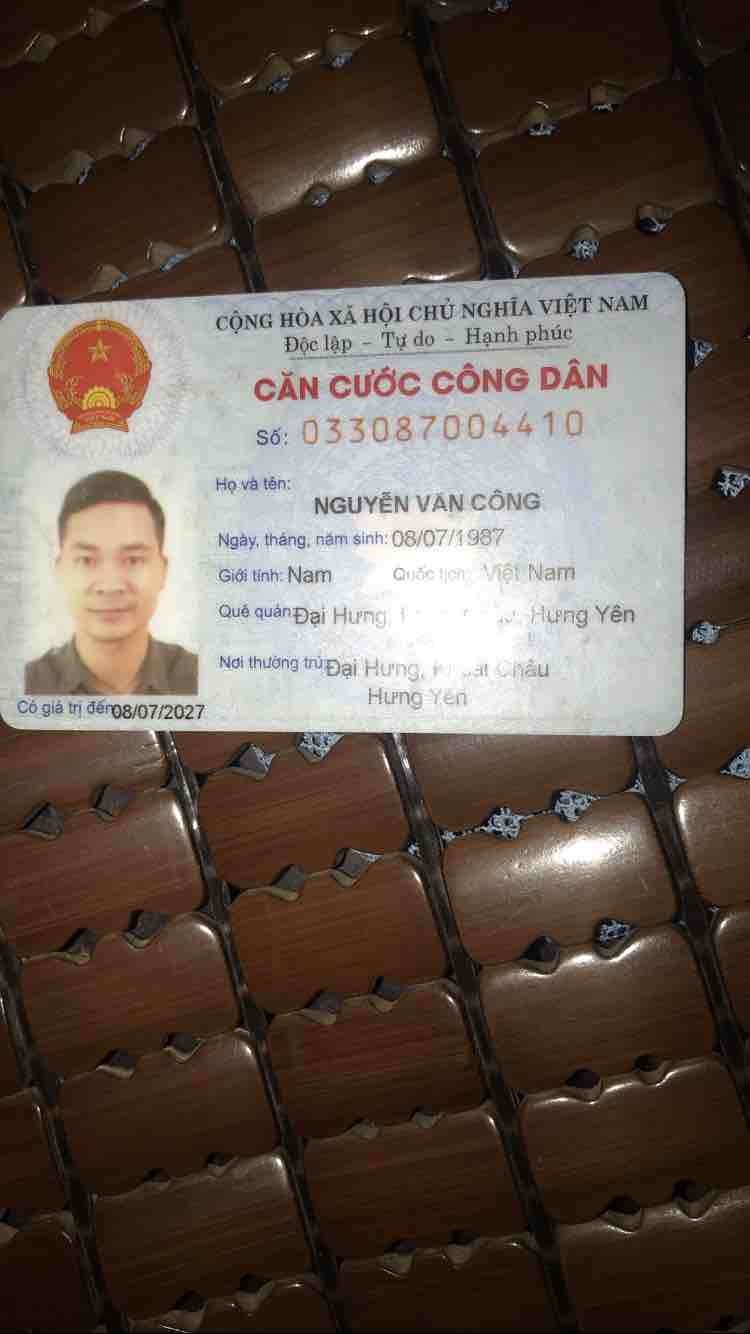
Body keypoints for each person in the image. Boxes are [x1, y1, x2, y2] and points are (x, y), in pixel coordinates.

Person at [25, 470, 198, 695]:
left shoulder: (203, 681)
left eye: (133, 560)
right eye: (86, 560)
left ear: (163, 571)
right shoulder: (24, 687)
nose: (110, 586)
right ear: (60, 571)